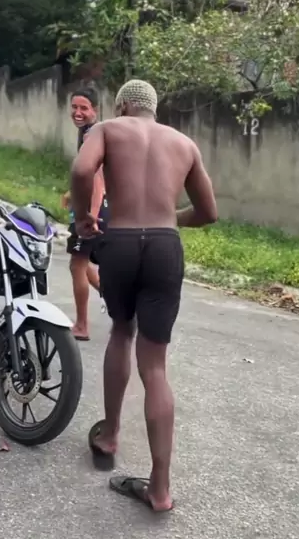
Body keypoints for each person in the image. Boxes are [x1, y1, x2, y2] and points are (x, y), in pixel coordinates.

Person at [71, 79, 217, 513]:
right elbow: (209, 212)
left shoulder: (108, 129)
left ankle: (110, 435)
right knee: (155, 365)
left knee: (121, 331)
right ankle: (160, 488)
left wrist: (83, 217)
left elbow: (81, 171)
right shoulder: (184, 144)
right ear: (155, 109)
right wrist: (168, 217)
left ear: (121, 106)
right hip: (164, 247)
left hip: (119, 242)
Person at [62, 88, 108, 341]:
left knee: (77, 264)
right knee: (83, 262)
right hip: (93, 209)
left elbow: (98, 181)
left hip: (92, 213)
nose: (78, 112)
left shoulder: (93, 135)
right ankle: (116, 300)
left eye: (84, 108)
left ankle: (82, 326)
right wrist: (72, 193)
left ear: (95, 110)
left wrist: (91, 215)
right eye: (74, 107)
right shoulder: (89, 132)